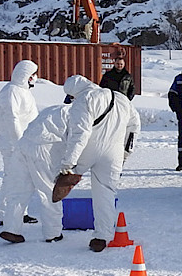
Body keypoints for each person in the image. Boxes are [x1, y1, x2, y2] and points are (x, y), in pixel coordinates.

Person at [60, 75, 142, 252]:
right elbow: (134, 126)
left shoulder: (83, 101)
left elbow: (79, 135)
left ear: (74, 93)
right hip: (113, 153)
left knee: (58, 182)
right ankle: (101, 237)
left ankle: (51, 228)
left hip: (87, 151)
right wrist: (125, 154)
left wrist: (69, 163)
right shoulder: (121, 98)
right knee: (105, 193)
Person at [0, 101, 73, 244]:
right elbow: (76, 141)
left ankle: (11, 229)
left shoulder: (52, 108)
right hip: (44, 150)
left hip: (23, 145)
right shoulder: (77, 114)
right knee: (49, 191)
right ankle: (53, 233)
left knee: (18, 192)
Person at [0, 60, 39, 226]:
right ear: (26, 75)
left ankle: (20, 212)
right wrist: (19, 142)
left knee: (22, 180)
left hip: (24, 143)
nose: (35, 77)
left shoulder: (24, 91)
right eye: (33, 74)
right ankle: (4, 214)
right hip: (13, 145)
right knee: (12, 178)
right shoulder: (11, 92)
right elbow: (11, 119)